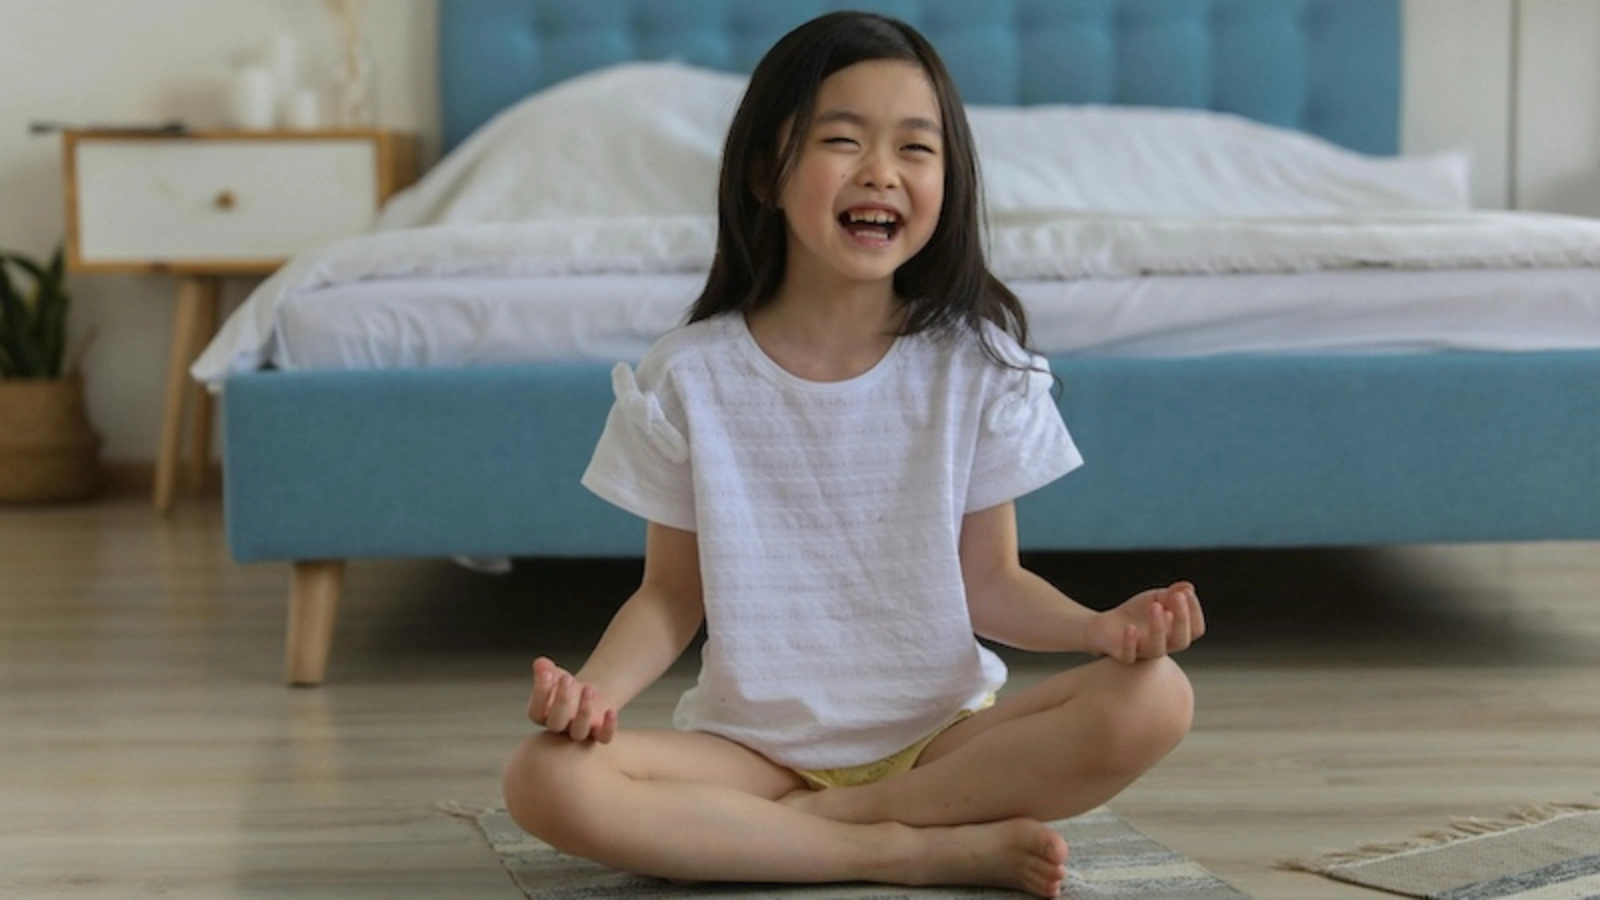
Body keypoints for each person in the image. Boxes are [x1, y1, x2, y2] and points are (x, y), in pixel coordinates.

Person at [501, 11, 1203, 898]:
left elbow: (991, 584)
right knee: (544, 776)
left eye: (917, 149)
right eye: (842, 139)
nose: (882, 172)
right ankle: (907, 849)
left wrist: (1099, 629)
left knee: (1156, 696)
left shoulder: (975, 364)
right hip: (751, 753)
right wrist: (596, 695)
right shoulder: (690, 375)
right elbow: (672, 596)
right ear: (767, 172)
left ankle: (841, 824)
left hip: (940, 737)